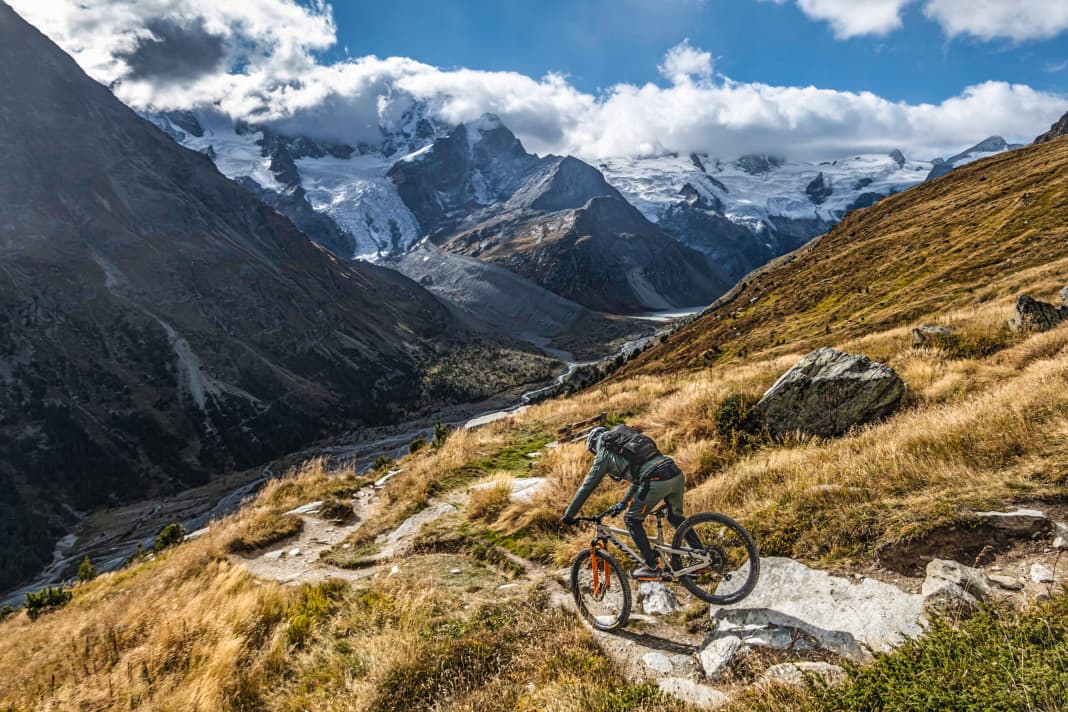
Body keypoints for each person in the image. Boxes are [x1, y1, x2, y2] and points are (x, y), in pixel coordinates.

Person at [561, 425, 692, 580]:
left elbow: (587, 486)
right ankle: (701, 556)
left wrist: (569, 514)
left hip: (655, 480)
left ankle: (651, 566)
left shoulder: (604, 453)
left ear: (594, 446)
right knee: (675, 517)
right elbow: (637, 479)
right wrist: (623, 503)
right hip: (674, 473)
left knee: (631, 519)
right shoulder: (629, 447)